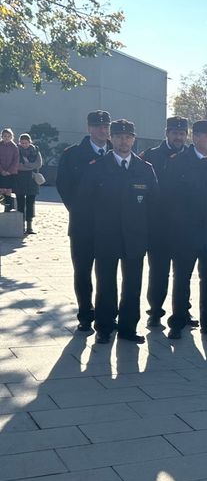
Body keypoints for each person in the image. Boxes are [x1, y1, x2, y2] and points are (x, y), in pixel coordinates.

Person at [77, 119, 158, 344]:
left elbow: (154, 206)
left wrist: (149, 237)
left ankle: (128, 328)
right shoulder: (97, 167)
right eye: (119, 136)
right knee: (105, 285)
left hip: (135, 237)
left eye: (128, 136)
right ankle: (104, 327)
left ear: (134, 139)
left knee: (132, 286)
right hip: (106, 237)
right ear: (111, 138)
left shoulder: (144, 168)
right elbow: (84, 204)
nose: (124, 141)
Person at [163, 120, 207, 339]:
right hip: (186, 233)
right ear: (195, 138)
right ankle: (178, 321)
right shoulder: (178, 162)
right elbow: (169, 199)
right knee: (182, 278)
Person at [56, 110, 112, 333]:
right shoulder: (73, 154)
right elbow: (64, 186)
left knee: (107, 273)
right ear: (89, 128)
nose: (103, 130)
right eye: (98, 126)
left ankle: (107, 314)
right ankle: (86, 314)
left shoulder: (116, 153)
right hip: (83, 225)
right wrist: (79, 211)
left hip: (110, 226)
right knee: (83, 272)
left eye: (106, 126)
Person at [142, 116, 189, 328]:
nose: (178, 137)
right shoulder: (151, 156)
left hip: (184, 228)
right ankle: (155, 312)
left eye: (182, 133)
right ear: (167, 133)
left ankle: (182, 312)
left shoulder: (192, 156)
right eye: (175, 133)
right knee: (158, 272)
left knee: (183, 275)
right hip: (158, 227)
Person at [15, 133, 42, 234]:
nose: (24, 145)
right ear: (19, 142)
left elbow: (39, 164)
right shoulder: (16, 150)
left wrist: (26, 165)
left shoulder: (36, 150)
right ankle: (21, 226)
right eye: (22, 143)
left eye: (26, 143)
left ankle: (29, 226)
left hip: (32, 180)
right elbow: (17, 165)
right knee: (20, 203)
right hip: (19, 180)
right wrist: (30, 166)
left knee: (30, 204)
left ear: (30, 142)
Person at [0, 128, 19, 212]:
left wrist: (9, 171)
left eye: (8, 136)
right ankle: (7, 204)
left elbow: (16, 160)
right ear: (2, 136)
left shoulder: (14, 147)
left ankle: (7, 208)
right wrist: (2, 171)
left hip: (10, 173)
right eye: (5, 136)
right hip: (1, 172)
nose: (6, 138)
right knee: (2, 190)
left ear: (11, 137)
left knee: (8, 191)